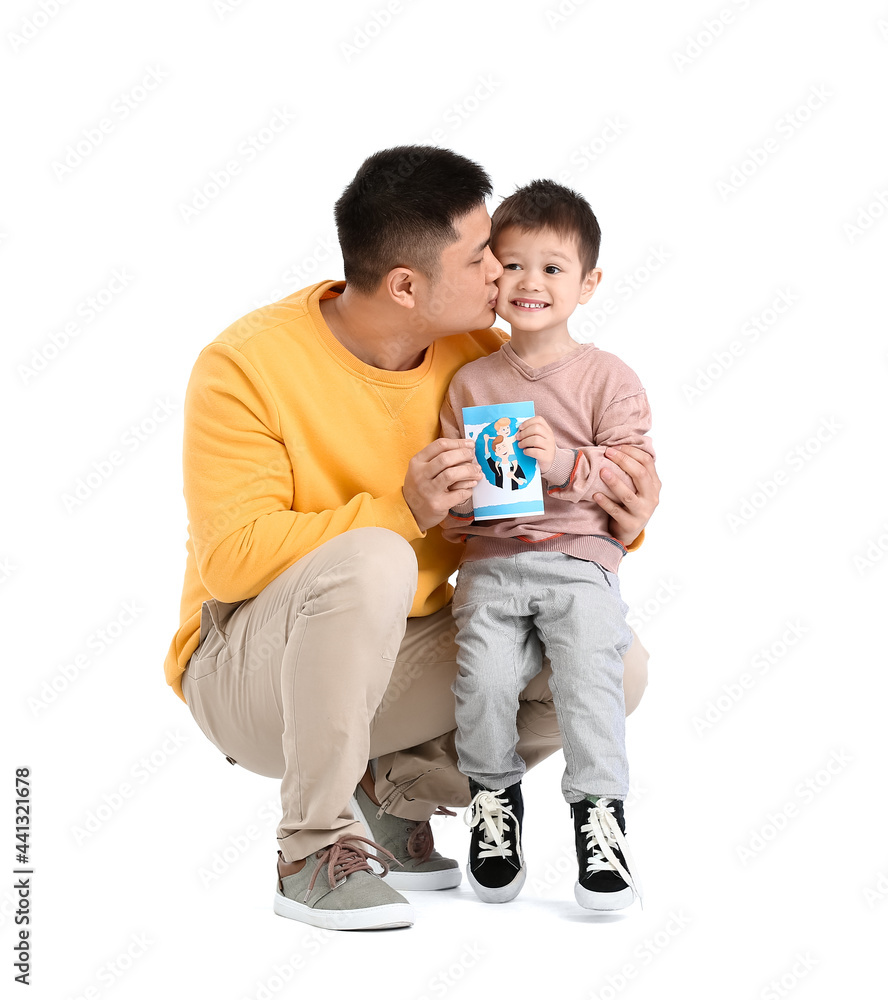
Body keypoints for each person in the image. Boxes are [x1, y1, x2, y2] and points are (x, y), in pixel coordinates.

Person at [164, 147, 661, 930]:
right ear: (406, 285)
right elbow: (232, 562)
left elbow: (527, 510)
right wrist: (404, 511)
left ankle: (394, 792)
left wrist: (621, 512)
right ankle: (312, 848)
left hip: (394, 652)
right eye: (482, 258)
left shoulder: (477, 362)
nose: (504, 274)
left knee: (611, 665)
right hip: (245, 672)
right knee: (375, 553)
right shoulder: (245, 366)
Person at [439, 179, 655, 911]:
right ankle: (493, 805)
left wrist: (563, 462)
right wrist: (461, 492)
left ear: (588, 283)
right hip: (492, 568)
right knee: (483, 683)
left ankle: (601, 817)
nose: (531, 283)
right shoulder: (470, 382)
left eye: (554, 268)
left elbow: (636, 474)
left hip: (579, 565)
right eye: (515, 266)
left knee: (591, 680)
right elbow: (453, 518)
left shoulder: (608, 377)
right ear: (492, 277)